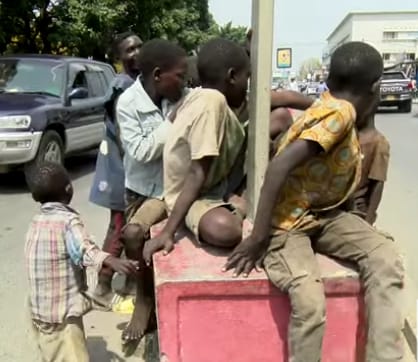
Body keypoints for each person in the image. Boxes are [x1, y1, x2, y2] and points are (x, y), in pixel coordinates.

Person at [224, 42, 404, 362]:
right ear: (376, 88)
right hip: (288, 223)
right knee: (309, 302)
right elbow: (279, 166)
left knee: (384, 257)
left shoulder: (331, 104)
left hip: (324, 214)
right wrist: (258, 237)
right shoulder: (340, 114)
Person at [143, 37, 250, 264]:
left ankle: (234, 198)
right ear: (232, 76)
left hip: (211, 185)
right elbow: (196, 173)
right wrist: (168, 232)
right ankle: (237, 205)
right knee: (226, 230)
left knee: (277, 119)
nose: (247, 85)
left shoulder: (204, 98)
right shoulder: (212, 103)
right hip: (191, 196)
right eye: (246, 78)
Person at [25, 162, 139, 362]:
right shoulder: (68, 222)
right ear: (69, 188)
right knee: (72, 353)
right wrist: (110, 260)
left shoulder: (36, 221)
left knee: (50, 351)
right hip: (63, 312)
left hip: (39, 309)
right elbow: (83, 249)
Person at [116, 39, 188, 346]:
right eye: (179, 76)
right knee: (133, 235)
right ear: (157, 74)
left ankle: (158, 302)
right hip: (145, 190)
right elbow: (141, 151)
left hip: (175, 186)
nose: (184, 81)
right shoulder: (128, 104)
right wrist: (171, 121)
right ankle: (143, 299)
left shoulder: (181, 95)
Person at [90, 31, 143, 304]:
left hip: (124, 167)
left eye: (139, 47)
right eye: (129, 50)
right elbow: (126, 136)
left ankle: (122, 283)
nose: (136, 53)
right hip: (121, 168)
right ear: (118, 58)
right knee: (120, 226)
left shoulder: (135, 83)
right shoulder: (123, 86)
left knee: (125, 225)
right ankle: (102, 286)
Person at [350, 115, 390, 225]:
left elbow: (378, 182)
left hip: (356, 210)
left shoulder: (378, 142)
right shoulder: (345, 137)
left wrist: (369, 217)